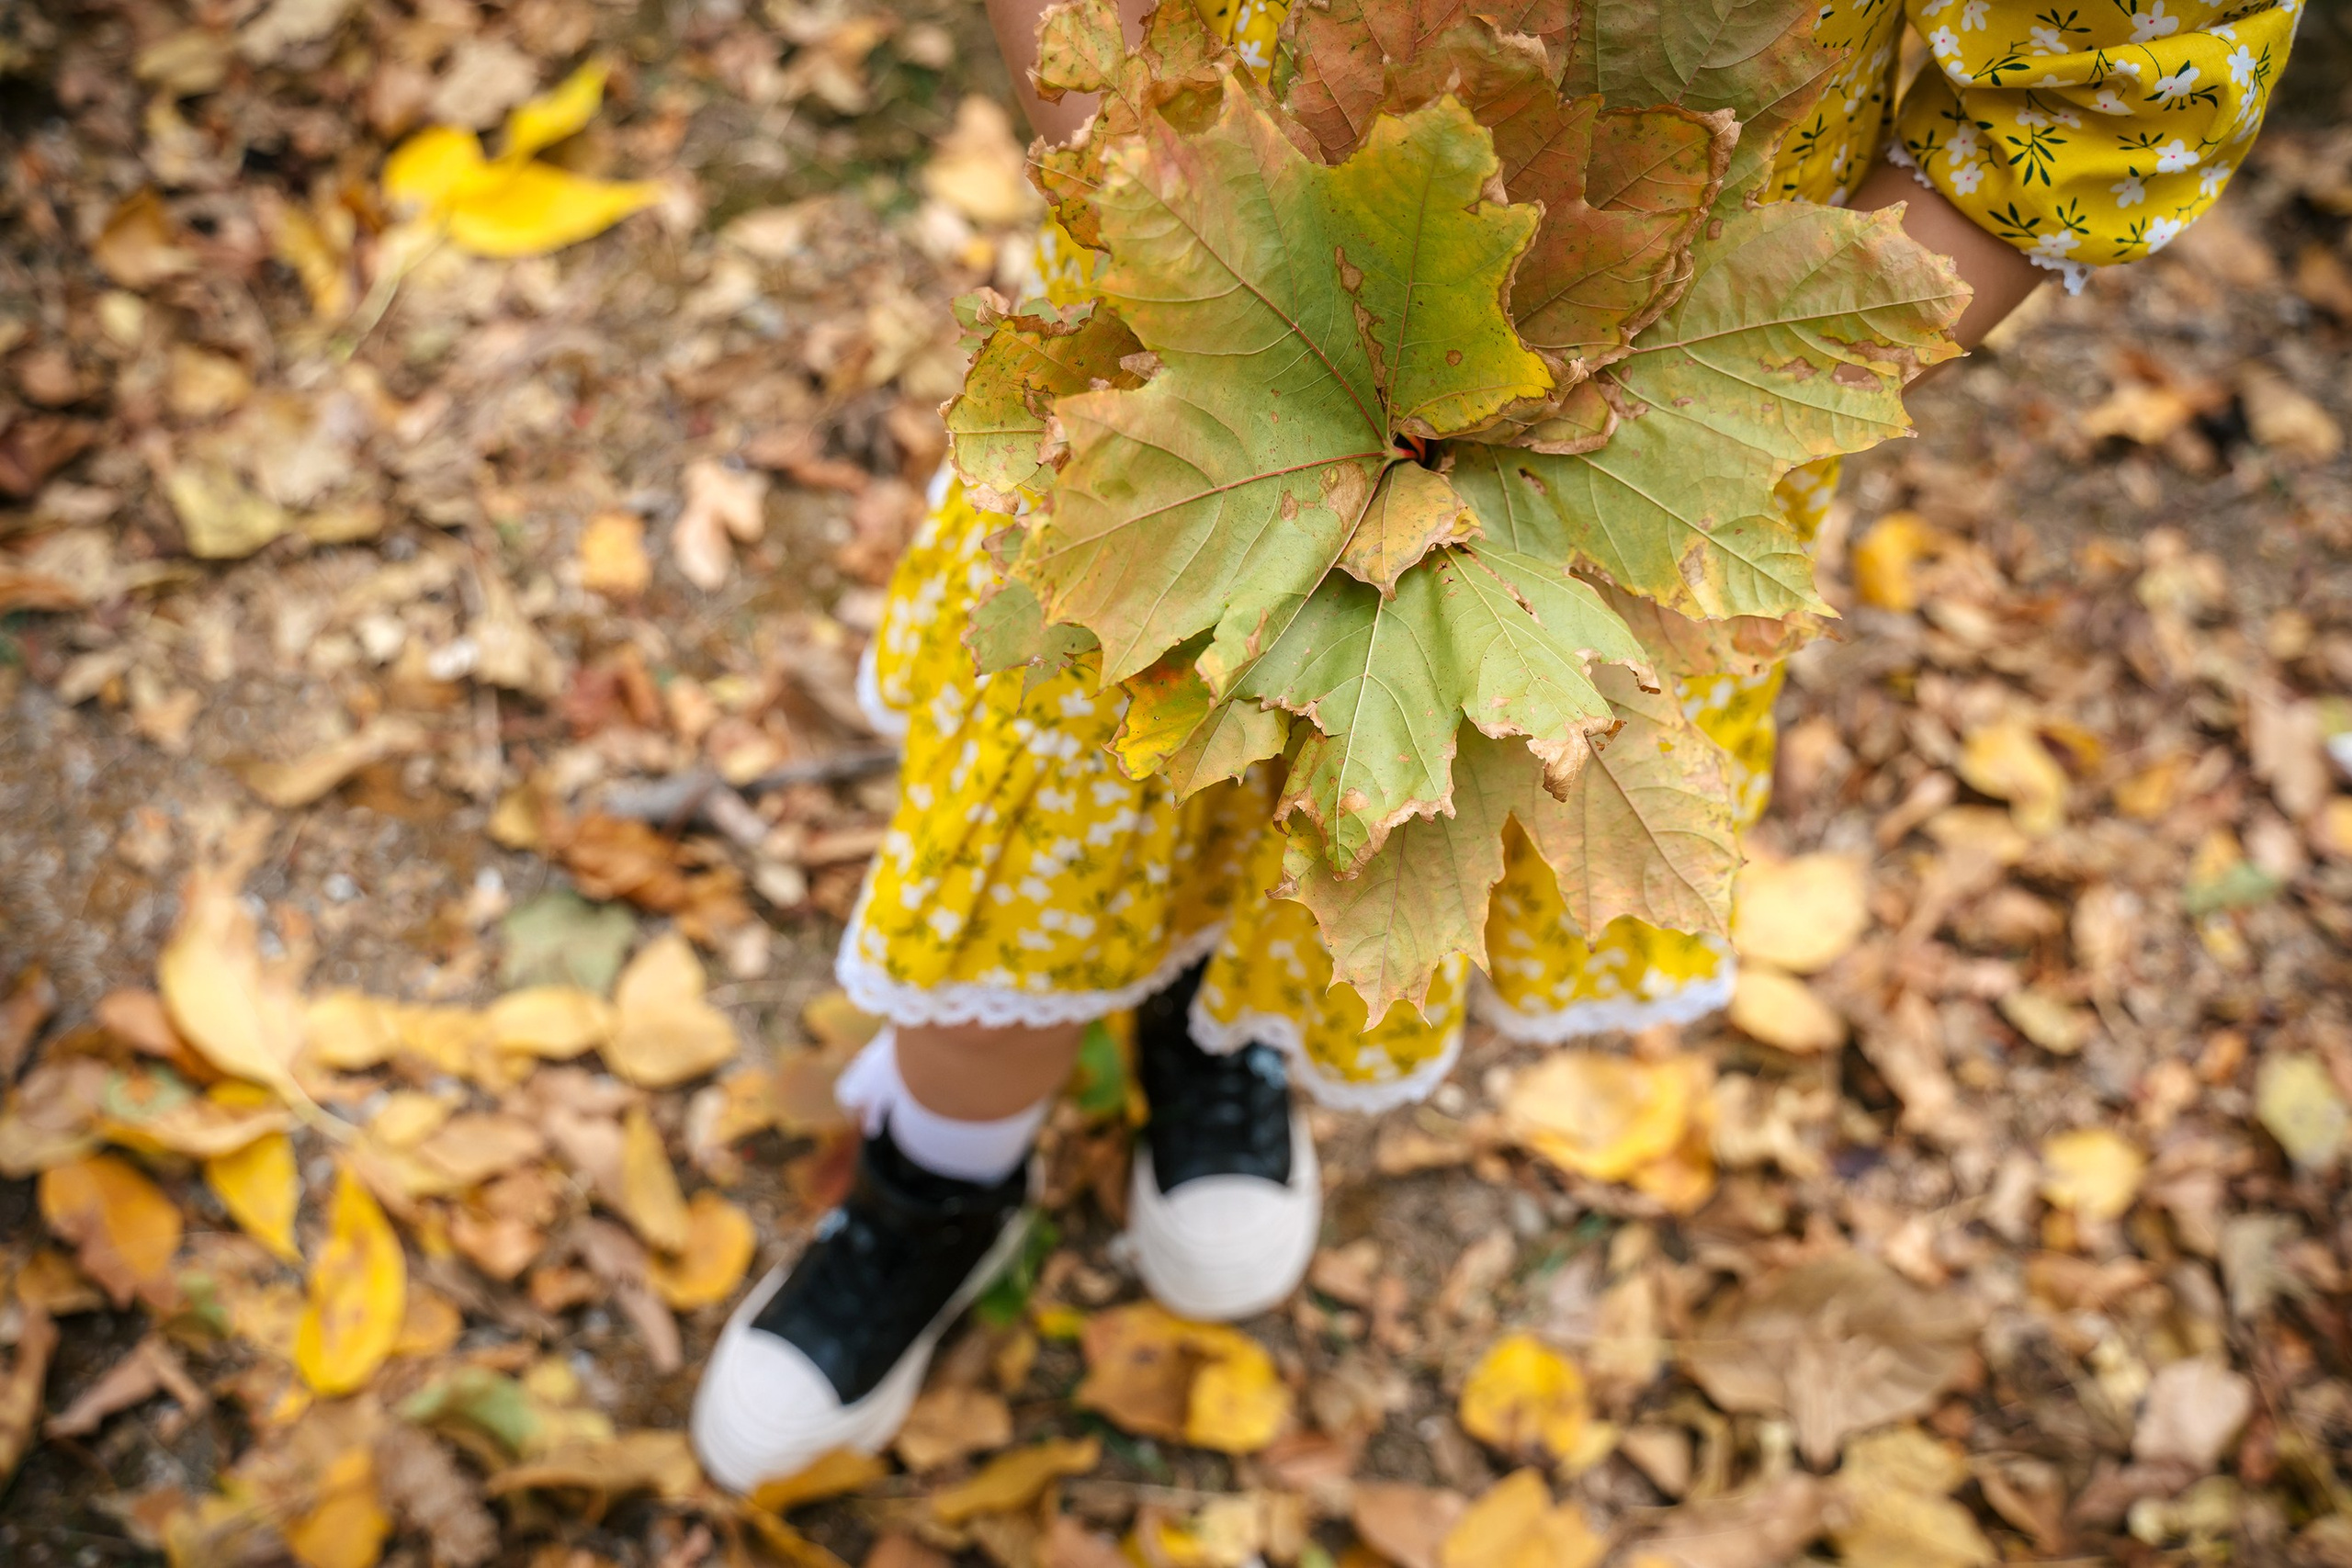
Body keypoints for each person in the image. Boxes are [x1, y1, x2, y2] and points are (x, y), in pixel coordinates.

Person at [690, 0, 2301, 1491]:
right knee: (1085, 783)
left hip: (1621, 429)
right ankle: (937, 1187)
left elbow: (2107, 89)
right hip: (1199, 339)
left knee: (1362, 801)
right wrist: (1163, 202)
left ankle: (1213, 1045)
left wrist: (1694, 397)